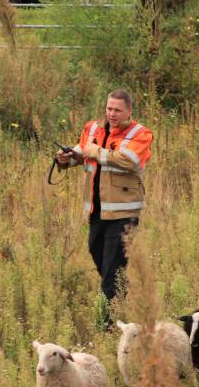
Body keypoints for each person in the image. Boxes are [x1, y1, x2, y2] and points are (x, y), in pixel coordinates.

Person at [56, 90, 153, 325]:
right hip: (97, 211)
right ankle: (122, 297)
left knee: (110, 271)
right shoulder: (92, 128)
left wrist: (96, 152)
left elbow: (129, 160)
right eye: (109, 108)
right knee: (99, 256)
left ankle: (105, 323)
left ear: (129, 111)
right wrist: (66, 159)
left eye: (117, 110)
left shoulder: (140, 134)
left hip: (124, 213)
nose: (112, 113)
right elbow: (82, 153)